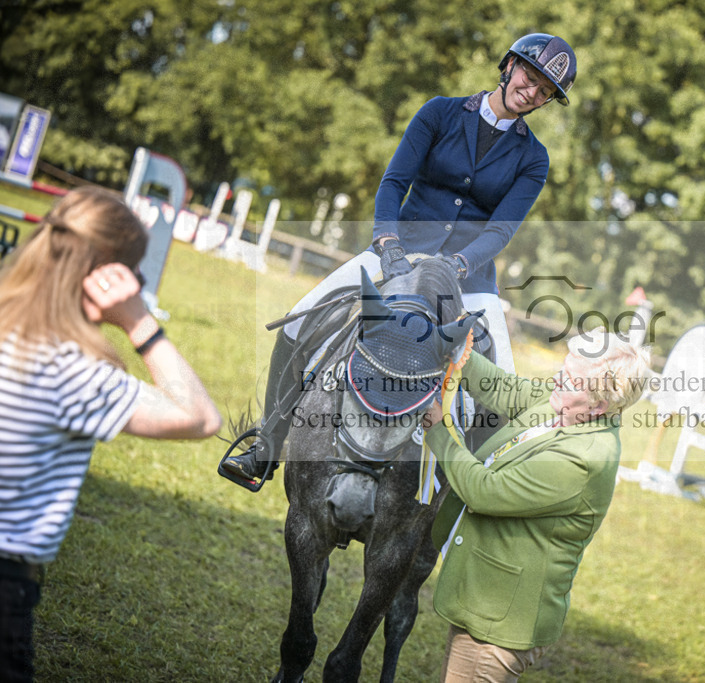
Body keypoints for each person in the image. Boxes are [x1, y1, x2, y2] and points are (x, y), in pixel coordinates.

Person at [221, 33, 578, 486]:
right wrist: (388, 242)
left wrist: (460, 265)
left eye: (544, 91)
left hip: (468, 277)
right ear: (509, 65)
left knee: (500, 380)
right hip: (399, 252)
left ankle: (475, 489)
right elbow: (394, 182)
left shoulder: (534, 158)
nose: (532, 92)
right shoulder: (439, 112)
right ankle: (267, 447)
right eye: (530, 76)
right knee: (298, 320)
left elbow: (501, 230)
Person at [0, 187, 222, 681]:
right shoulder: (68, 371)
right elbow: (201, 418)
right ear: (109, 276)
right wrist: (140, 321)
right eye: (135, 274)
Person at [421, 330, 651, 681]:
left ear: (599, 406)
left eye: (570, 379)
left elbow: (485, 491)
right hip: (486, 599)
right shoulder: (566, 406)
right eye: (564, 369)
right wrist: (457, 349)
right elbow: (505, 389)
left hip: (501, 621)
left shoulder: (583, 459)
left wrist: (440, 430)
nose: (558, 379)